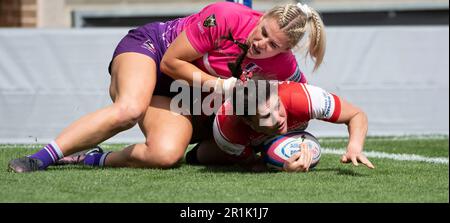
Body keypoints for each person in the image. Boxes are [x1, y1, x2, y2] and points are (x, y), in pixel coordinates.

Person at [8, 1, 326, 173]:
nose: (261, 43)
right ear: (262, 17)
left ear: (285, 51)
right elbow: (171, 64)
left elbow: (299, 107)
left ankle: (89, 159)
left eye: (273, 44)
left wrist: (303, 150)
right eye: (264, 31)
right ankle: (40, 158)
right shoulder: (225, 16)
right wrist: (224, 86)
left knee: (165, 154)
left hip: (183, 93)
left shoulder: (284, 68)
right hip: (153, 50)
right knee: (129, 109)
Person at [185, 78, 375, 172]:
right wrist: (280, 166)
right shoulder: (228, 131)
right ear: (248, 121)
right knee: (198, 157)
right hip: (236, 137)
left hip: (262, 130)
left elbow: (357, 114)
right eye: (267, 115)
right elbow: (254, 165)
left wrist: (354, 147)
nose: (279, 118)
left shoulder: (302, 98)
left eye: (277, 106)